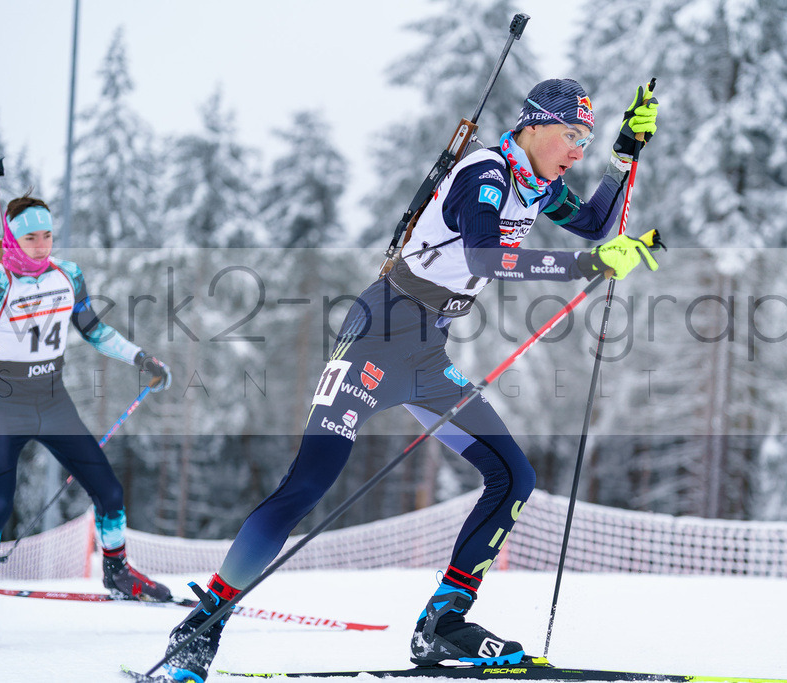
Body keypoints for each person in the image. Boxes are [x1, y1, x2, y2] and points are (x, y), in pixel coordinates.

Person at [160, 78, 660, 682]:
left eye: (586, 137)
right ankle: (200, 629)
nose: (578, 148)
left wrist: (623, 154)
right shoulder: (486, 173)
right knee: (309, 483)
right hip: (378, 333)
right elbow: (484, 257)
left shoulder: (536, 182)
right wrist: (586, 265)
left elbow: (594, 224)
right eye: (571, 134)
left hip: (426, 354)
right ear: (533, 123)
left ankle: (444, 623)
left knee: (512, 475)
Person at [0, 193, 174, 641]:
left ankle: (117, 573)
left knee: (109, 490)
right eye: (30, 237)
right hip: (6, 402)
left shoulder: (69, 275)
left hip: (53, 399)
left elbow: (94, 330)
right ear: (11, 238)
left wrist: (140, 357)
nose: (42, 244)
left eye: (47, 235)